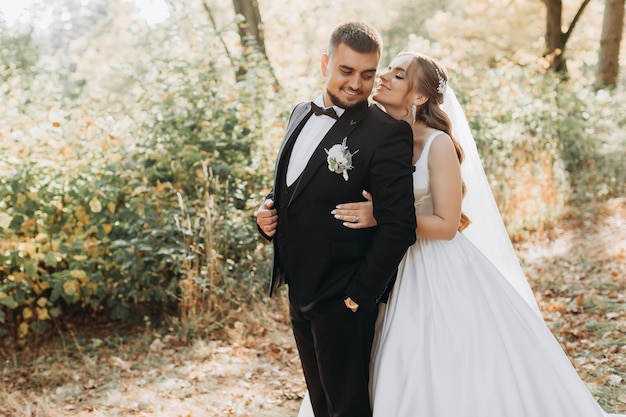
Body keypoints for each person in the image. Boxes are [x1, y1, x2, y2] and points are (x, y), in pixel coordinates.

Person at [297, 52, 625, 416]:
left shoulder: (437, 145)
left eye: (399, 75)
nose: (384, 77)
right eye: (388, 69)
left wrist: (386, 217)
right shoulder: (375, 134)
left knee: (430, 357)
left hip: (432, 266)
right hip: (378, 265)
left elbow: (448, 224)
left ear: (419, 97)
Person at [255, 22, 417, 417]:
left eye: (367, 74)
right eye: (346, 71)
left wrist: (356, 298)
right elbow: (291, 187)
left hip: (343, 299)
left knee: (349, 409)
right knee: (322, 405)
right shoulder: (298, 113)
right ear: (325, 63)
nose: (356, 84)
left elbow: (400, 226)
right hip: (300, 289)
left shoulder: (387, 134)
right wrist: (265, 211)